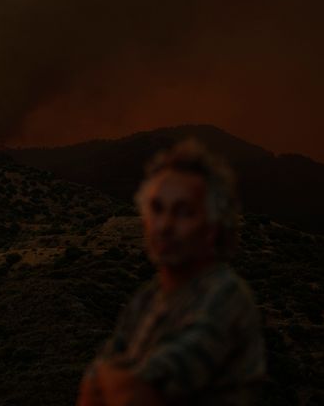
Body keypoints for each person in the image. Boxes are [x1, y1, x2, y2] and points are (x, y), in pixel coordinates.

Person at [78, 140, 265, 406]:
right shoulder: (147, 298)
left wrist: (118, 383)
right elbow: (91, 385)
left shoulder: (227, 298)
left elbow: (134, 394)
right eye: (157, 209)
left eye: (184, 212)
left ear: (212, 226)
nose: (165, 226)